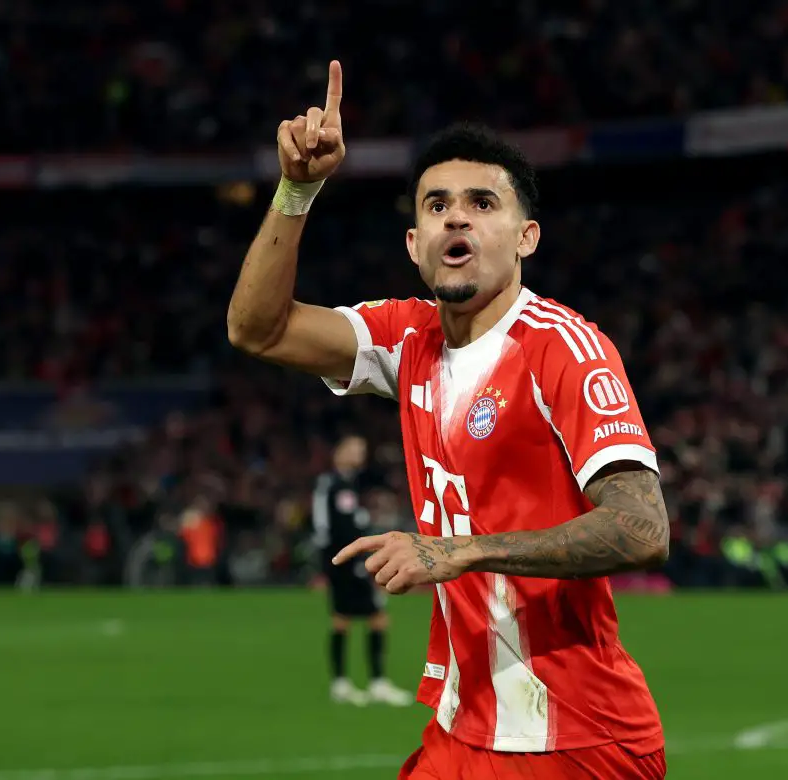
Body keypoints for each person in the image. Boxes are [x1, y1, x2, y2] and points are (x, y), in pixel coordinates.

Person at [228, 61, 670, 779]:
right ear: (414, 244)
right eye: (435, 206)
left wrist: (459, 552)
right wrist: (297, 189)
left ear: (526, 237)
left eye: (481, 203)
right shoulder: (409, 340)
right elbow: (257, 330)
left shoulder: (564, 350)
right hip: (463, 733)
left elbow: (643, 529)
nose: (455, 216)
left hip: (576, 739)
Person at [313, 434, 412, 706]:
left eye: (362, 449)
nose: (359, 454)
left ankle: (345, 683)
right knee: (371, 618)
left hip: (346, 561)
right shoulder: (333, 484)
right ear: (339, 451)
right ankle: (368, 682)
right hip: (344, 562)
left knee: (346, 618)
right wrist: (342, 561)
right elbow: (329, 527)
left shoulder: (346, 484)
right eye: (354, 449)